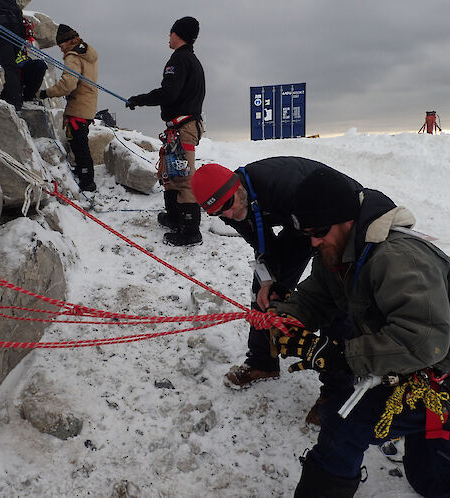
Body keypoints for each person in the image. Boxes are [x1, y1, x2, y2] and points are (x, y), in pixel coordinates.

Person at [270, 168, 450, 497]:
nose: (314, 241)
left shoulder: (396, 258)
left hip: (438, 373)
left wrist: (341, 355)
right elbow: (315, 296)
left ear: (347, 220)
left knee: (345, 421)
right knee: (429, 479)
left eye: (320, 230)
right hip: (420, 370)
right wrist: (287, 319)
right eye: (308, 233)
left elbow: (425, 342)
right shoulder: (339, 253)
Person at [191, 158, 360, 424]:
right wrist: (271, 281)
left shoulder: (282, 185)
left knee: (335, 300)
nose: (228, 216)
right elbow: (263, 245)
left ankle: (336, 392)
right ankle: (262, 362)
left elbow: (306, 240)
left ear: (238, 187)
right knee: (264, 291)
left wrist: (287, 286)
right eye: (217, 215)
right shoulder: (232, 205)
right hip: (298, 226)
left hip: (334, 221)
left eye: (227, 207)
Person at [127, 16, 206, 247]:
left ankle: (190, 230)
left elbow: (169, 93)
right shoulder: (190, 60)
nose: (168, 37)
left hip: (184, 128)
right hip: (181, 127)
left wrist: (139, 100)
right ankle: (174, 218)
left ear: (177, 34)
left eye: (170, 33)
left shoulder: (179, 60)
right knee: (170, 175)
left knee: (183, 179)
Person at [39, 24, 98, 192]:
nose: (61, 49)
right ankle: (84, 174)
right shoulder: (87, 53)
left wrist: (46, 93)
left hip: (78, 106)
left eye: (61, 45)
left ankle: (87, 181)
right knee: (80, 142)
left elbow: (68, 84)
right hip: (88, 105)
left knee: (79, 144)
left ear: (68, 41)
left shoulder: (72, 57)